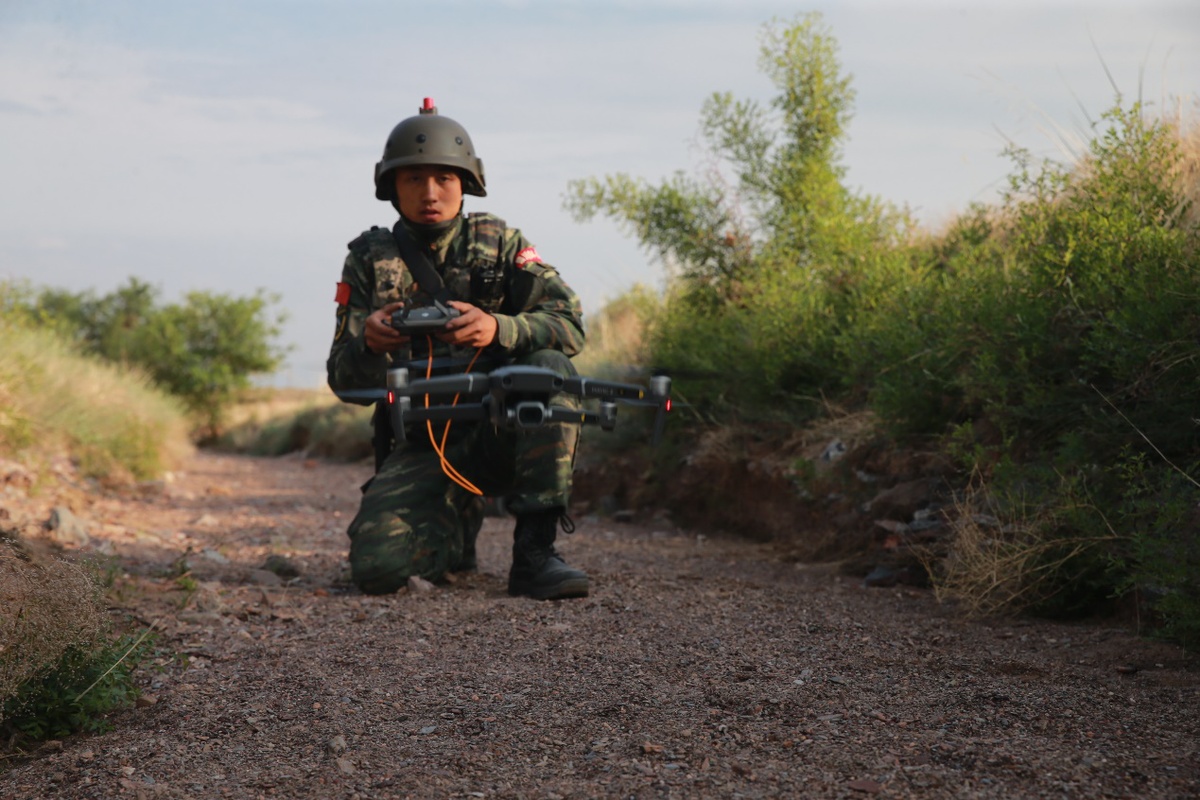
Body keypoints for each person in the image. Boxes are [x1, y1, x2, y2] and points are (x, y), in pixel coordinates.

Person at [327, 98, 589, 600]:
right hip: (421, 442)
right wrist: (369, 344)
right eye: (414, 179)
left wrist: (498, 329)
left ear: (465, 182)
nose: (430, 193)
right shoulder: (367, 259)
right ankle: (452, 523)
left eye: (444, 179)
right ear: (391, 187)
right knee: (379, 570)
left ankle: (535, 554)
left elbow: (570, 326)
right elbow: (344, 382)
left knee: (550, 369)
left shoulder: (501, 243)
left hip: (501, 435)